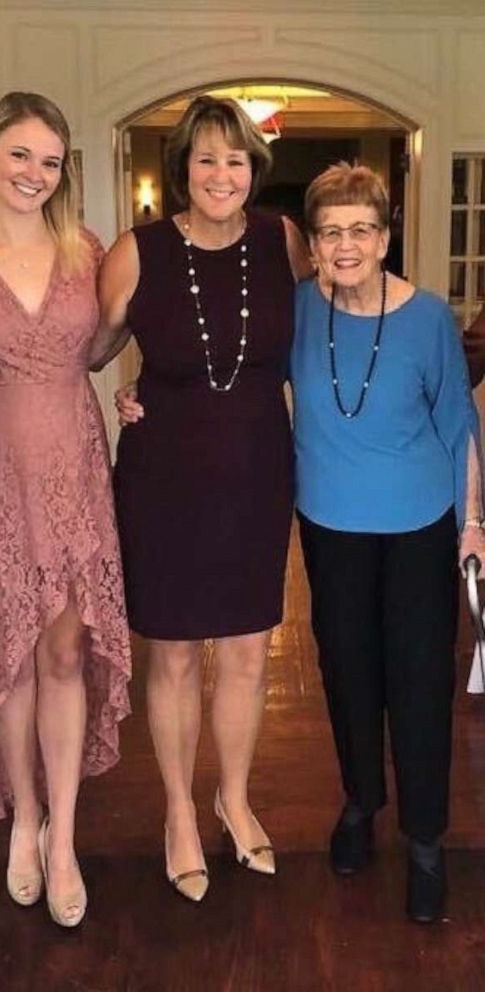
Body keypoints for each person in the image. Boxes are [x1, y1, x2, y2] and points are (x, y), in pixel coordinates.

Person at [94, 95, 312, 902]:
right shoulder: (136, 250)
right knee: (176, 653)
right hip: (164, 477)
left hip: (257, 468)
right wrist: (122, 391)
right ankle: (178, 813)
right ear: (180, 168)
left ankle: (236, 797)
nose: (221, 174)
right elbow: (86, 347)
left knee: (250, 650)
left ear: (254, 170)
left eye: (236, 160)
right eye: (205, 159)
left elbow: (328, 320)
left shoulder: (282, 241)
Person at [0, 92, 131, 928]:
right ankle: (23, 823)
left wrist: (140, 394)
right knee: (5, 655)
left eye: (50, 161)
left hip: (76, 463)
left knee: (64, 649)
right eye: (20, 156)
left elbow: (109, 338)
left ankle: (66, 836)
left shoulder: (84, 248)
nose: (34, 174)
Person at [292, 163, 485, 923]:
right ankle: (359, 802)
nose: (346, 245)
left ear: (384, 236)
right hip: (329, 525)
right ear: (311, 242)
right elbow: (230, 383)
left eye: (361, 230)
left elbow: (457, 426)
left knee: (416, 682)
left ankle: (426, 837)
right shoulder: (298, 311)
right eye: (330, 231)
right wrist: (146, 397)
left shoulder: (428, 317)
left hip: (418, 523)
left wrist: (472, 521)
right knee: (346, 674)